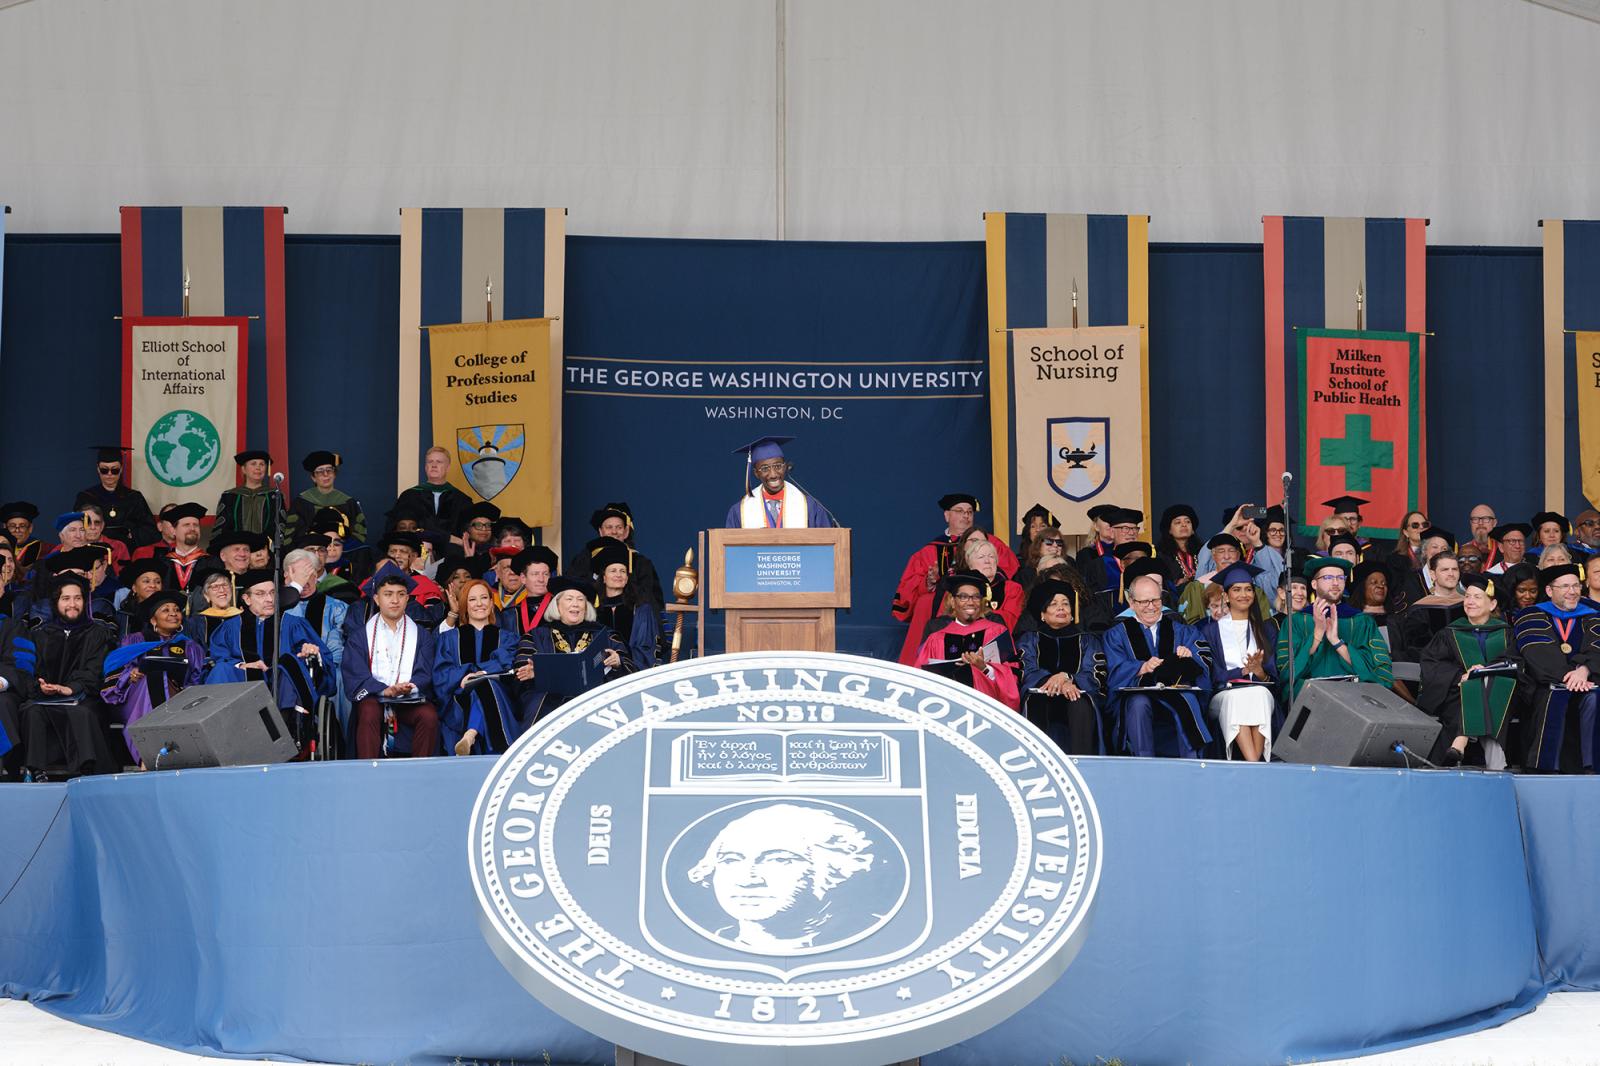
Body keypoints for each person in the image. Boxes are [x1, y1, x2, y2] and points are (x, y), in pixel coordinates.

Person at [685, 803, 875, 953]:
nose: (747, 879)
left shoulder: (873, 943)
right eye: (731, 860)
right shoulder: (694, 947)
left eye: (779, 860)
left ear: (835, 868)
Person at [206, 568, 333, 751]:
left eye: (273, 593)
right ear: (247, 599)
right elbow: (218, 659)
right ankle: (221, 736)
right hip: (242, 685)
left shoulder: (292, 623)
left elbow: (320, 658)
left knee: (288, 663)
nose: (269, 599)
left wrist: (310, 650)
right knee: (221, 670)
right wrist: (243, 665)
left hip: (281, 686)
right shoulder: (230, 628)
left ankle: (288, 731)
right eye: (260, 594)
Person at [10, 574, 119, 779]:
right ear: (56, 602)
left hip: (83, 696)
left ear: (84, 602)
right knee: (32, 710)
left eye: (77, 598)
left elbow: (95, 670)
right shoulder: (40, 635)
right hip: (45, 697)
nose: (72, 604)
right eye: (65, 598)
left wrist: (70, 689)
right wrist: (40, 686)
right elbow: (26, 671)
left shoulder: (98, 633)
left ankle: (87, 770)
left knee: (83, 712)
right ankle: (36, 770)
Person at [1102, 564, 1213, 758]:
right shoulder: (1117, 634)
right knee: (1138, 703)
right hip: (1137, 696)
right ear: (1131, 602)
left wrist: (1190, 658)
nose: (1151, 607)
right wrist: (1141, 667)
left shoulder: (1182, 630)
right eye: (1144, 602)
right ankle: (1145, 763)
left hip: (1175, 693)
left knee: (1188, 699)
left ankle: (1194, 763)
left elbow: (1203, 660)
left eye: (1155, 600)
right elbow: (1113, 670)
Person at [1419, 574, 1518, 770]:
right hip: (1457, 690)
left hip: (1503, 692)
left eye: (1477, 597)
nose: (1470, 602)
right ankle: (1496, 762)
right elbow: (1433, 665)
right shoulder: (1450, 633)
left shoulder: (1506, 633)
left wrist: (1484, 671)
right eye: (1467, 597)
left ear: (1492, 604)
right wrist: (1460, 675)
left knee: (1490, 683)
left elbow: (1516, 663)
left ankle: (1461, 740)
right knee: (1472, 686)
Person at [100, 590, 206, 767]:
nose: (173, 613)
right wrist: (130, 674)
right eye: (165, 610)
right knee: (152, 677)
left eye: (176, 610)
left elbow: (197, 678)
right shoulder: (134, 641)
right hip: (136, 699)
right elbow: (116, 666)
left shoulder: (190, 646)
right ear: (153, 620)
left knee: (162, 678)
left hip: (177, 699)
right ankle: (147, 757)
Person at [1511, 563, 1600, 773]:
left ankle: (1592, 767)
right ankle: (1548, 769)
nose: (1572, 592)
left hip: (1588, 680)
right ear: (1550, 591)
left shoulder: (1593, 615)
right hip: (1546, 684)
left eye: (1576, 586)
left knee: (1595, 698)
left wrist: (1584, 670)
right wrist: (1569, 677)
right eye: (1565, 587)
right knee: (1554, 696)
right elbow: (1538, 653)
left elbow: (1597, 646)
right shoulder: (1531, 615)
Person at [343, 568, 440, 759]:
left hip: (408, 698)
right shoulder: (360, 637)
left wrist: (408, 687)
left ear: (407, 598)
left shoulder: (421, 635)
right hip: (374, 697)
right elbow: (355, 673)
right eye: (388, 594)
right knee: (369, 710)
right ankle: (369, 771)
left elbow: (425, 673)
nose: (395, 600)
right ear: (377, 599)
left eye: (401, 594)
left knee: (428, 715)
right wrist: (383, 690)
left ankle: (420, 770)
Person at [511, 576, 634, 724]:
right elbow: (521, 669)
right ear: (557, 605)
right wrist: (535, 673)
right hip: (551, 696)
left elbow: (628, 665)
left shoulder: (606, 634)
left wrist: (618, 662)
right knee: (538, 702)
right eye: (569, 599)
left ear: (586, 606)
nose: (575, 604)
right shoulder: (536, 635)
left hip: (595, 695)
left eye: (580, 600)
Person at [1276, 557, 1394, 701]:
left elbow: (1380, 672)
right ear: (1314, 583)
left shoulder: (1362, 621)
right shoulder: (1296, 621)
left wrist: (1337, 642)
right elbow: (1287, 673)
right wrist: (1317, 635)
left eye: (1340, 577)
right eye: (1328, 577)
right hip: (1311, 697)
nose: (1335, 583)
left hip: (1354, 696)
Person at [1197, 561, 1279, 761]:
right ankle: (1255, 762)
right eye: (1237, 590)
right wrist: (1241, 672)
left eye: (1248, 589)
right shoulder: (1210, 631)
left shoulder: (1266, 629)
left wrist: (1259, 671)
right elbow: (1212, 674)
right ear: (1226, 596)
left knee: (1258, 693)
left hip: (1258, 692)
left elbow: (1272, 676)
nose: (1244, 594)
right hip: (1224, 695)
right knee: (1238, 698)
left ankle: (1252, 762)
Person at [1016, 578, 1105, 754]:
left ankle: (1083, 763)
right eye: (1054, 604)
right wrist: (1053, 680)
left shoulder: (1087, 640)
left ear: (1072, 612)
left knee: (1078, 701)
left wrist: (1068, 678)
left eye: (1066, 603)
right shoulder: (1030, 639)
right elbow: (1026, 669)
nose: (1061, 607)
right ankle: (1037, 761)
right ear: (1042, 614)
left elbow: (1095, 673)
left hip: (1076, 693)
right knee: (1036, 701)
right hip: (1041, 694)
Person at [434, 578, 521, 756]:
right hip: (461, 698)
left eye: (484, 598)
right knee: (481, 684)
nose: (479, 604)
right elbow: (441, 674)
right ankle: (473, 734)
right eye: (472, 599)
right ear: (465, 604)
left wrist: (476, 674)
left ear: (491, 603)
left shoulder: (508, 638)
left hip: (500, 698)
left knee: (484, 683)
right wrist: (465, 677)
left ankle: (470, 734)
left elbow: (509, 663)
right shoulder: (449, 638)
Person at [913, 571, 1021, 709]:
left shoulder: (997, 632)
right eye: (963, 597)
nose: (970, 602)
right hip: (945, 709)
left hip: (985, 711)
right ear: (952, 601)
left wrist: (984, 668)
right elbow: (920, 678)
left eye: (976, 597)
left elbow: (1012, 678)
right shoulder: (936, 639)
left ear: (982, 602)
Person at [568, 502, 665, 610]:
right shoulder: (585, 558)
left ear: (626, 532)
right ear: (600, 531)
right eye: (609, 527)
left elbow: (651, 599)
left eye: (619, 527)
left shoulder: (640, 562)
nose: (614, 532)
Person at [724, 436, 835, 528]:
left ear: (785, 467)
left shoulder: (810, 506)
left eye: (778, 466)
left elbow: (827, 547)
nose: (773, 474)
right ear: (756, 473)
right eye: (765, 468)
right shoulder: (739, 511)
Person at [590, 540, 661, 669]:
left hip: (631, 675)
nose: (618, 575)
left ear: (627, 578)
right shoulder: (592, 611)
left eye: (623, 571)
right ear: (604, 578)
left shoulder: (641, 610)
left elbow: (647, 648)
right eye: (613, 571)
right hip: (599, 674)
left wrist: (622, 660)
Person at [73, 445, 158, 548]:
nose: (109, 474)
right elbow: (76, 526)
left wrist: (131, 535)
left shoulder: (134, 498)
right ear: (98, 469)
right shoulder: (86, 497)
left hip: (127, 551)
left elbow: (150, 530)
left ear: (121, 469)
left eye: (114, 470)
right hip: (95, 550)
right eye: (104, 470)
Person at [286, 450, 367, 547]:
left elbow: (358, 535)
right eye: (320, 471)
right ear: (313, 477)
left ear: (335, 474)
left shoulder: (349, 502)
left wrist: (340, 550)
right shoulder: (301, 503)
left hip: (342, 555)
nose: (326, 474)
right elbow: (293, 537)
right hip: (311, 556)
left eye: (329, 470)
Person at [391, 445, 472, 538]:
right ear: (426, 467)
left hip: (451, 551)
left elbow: (466, 533)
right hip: (417, 548)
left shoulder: (461, 500)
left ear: (448, 467)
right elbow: (397, 529)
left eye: (439, 462)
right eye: (430, 462)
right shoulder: (409, 496)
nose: (434, 465)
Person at [212, 449, 286, 537]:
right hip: (236, 547)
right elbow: (222, 528)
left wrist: (265, 546)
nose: (258, 468)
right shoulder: (229, 496)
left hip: (265, 547)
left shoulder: (274, 495)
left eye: (262, 464)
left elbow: (279, 527)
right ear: (244, 469)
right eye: (253, 464)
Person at [964, 537, 1023, 631]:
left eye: (991, 557)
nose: (987, 561)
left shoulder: (1012, 588)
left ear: (996, 562)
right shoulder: (960, 589)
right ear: (970, 564)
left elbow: (1010, 620)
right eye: (981, 557)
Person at [504, 545, 559, 635]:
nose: (541, 579)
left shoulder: (560, 608)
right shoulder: (510, 615)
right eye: (535, 574)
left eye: (545, 574)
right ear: (523, 578)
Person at [183, 570, 241, 645]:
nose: (222, 590)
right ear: (206, 595)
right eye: (215, 587)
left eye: (225, 585)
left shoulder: (243, 618)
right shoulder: (196, 622)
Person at [1156, 504, 1203, 581]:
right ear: (1169, 530)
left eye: (1188, 522)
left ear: (1192, 530)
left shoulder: (1202, 552)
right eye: (1178, 522)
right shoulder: (1162, 556)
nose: (1184, 525)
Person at [2, 501, 43, 577]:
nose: (17, 530)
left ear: (30, 528)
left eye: (22, 526)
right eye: (12, 526)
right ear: (5, 527)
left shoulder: (42, 550)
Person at [1467, 504, 1499, 570]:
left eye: (1486, 518)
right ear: (1470, 523)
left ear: (1494, 523)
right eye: (1475, 519)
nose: (1480, 523)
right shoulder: (1461, 552)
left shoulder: (1504, 552)